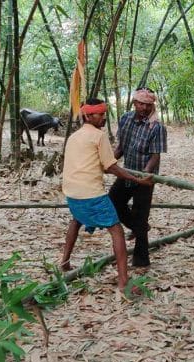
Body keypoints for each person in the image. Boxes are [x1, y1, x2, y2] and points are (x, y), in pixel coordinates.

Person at [59, 98, 154, 292]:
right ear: (88, 116)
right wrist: (139, 180)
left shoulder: (73, 137)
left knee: (76, 221)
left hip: (72, 191)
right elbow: (111, 167)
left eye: (104, 114)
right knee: (117, 230)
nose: (103, 118)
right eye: (99, 114)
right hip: (91, 194)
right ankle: (124, 281)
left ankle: (64, 263)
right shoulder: (98, 136)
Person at [108, 87, 167, 267]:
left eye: (148, 105)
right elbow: (120, 148)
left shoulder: (157, 127)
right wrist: (107, 162)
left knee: (141, 215)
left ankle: (141, 261)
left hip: (145, 177)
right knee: (113, 202)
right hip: (127, 173)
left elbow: (155, 156)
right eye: (140, 104)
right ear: (134, 103)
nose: (144, 108)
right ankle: (137, 226)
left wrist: (144, 176)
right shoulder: (126, 119)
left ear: (152, 106)